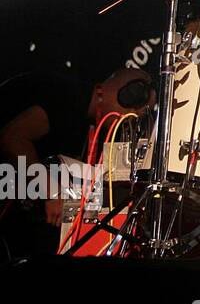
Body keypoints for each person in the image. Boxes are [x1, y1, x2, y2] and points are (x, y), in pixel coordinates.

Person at [0, 67, 153, 258]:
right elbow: (12, 138)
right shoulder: (68, 98)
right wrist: (52, 192)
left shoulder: (100, 130)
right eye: (133, 102)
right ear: (101, 91)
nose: (132, 114)